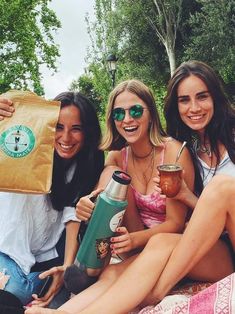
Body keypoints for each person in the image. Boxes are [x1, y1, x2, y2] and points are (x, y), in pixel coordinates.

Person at [24, 61, 235, 314]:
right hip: (201, 245)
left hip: (225, 249)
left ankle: (155, 292)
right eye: (184, 101)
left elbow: (184, 219)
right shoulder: (194, 145)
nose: (194, 108)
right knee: (115, 270)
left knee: (217, 192)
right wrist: (91, 201)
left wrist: (185, 197)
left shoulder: (182, 150)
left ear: (150, 113)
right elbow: (105, 183)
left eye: (136, 111)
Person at [0, 92, 104, 307]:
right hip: (7, 246)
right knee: (13, 292)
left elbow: (72, 215)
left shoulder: (85, 165)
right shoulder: (26, 147)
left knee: (16, 292)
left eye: (76, 129)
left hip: (44, 254)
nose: (66, 138)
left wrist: (67, 268)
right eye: (58, 127)